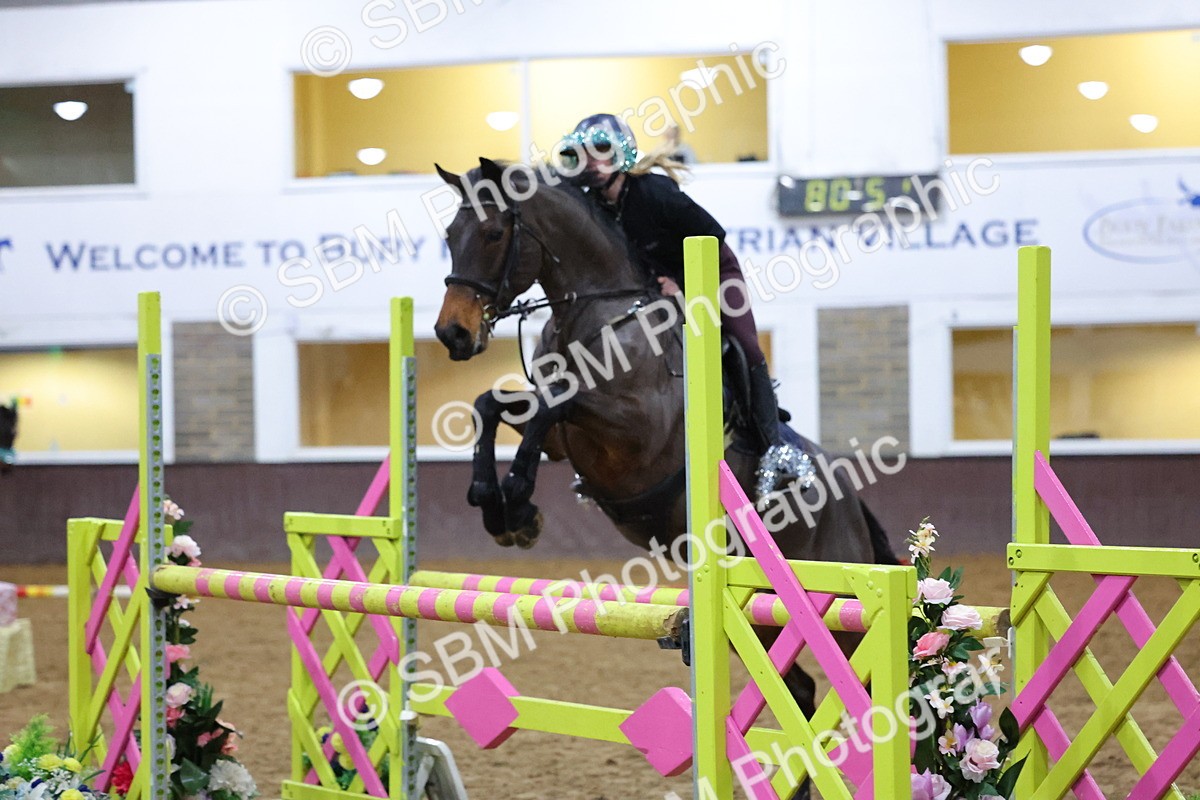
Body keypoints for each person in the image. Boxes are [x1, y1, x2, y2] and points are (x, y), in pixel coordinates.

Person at [558, 112, 806, 492]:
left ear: (622, 154)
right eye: (584, 154)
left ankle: (775, 449)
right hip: (658, 289)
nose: (592, 161)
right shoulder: (598, 208)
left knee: (745, 346)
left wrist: (687, 287)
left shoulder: (653, 191)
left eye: (602, 150)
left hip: (715, 274)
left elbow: (711, 233)